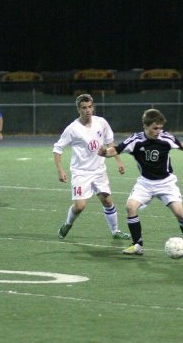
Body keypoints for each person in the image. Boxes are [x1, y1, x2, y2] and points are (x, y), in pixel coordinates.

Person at [98, 108, 183, 259]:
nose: (158, 131)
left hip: (166, 183)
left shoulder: (166, 138)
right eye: (155, 128)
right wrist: (105, 152)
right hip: (145, 183)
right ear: (145, 126)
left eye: (160, 128)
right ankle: (137, 245)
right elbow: (117, 149)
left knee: (180, 213)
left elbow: (179, 144)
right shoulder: (135, 140)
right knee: (131, 206)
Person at [53, 94, 130, 240]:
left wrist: (118, 161)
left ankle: (115, 231)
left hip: (99, 171)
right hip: (81, 173)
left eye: (89, 107)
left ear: (93, 107)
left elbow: (110, 143)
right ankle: (68, 223)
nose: (88, 110)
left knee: (107, 201)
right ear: (78, 109)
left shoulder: (101, 122)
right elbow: (57, 149)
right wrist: (60, 169)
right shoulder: (72, 129)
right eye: (84, 108)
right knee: (80, 206)